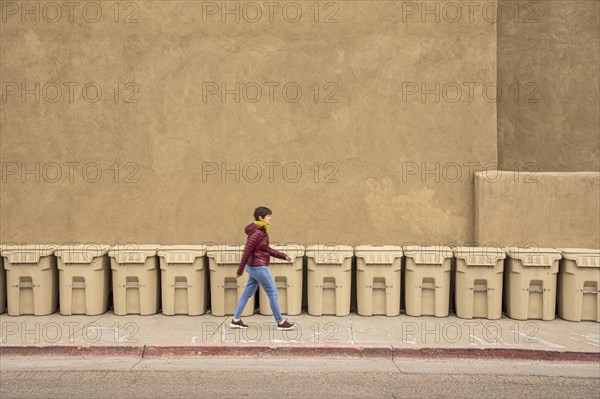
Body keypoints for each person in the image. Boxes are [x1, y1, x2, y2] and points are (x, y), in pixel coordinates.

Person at [230, 206, 296, 331]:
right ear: (261, 217)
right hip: (259, 267)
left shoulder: (260, 231)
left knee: (247, 294)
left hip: (255, 267)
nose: (271, 218)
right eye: (268, 216)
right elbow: (247, 251)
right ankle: (281, 322)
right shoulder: (257, 233)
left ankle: (236, 320)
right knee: (272, 292)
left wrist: (284, 256)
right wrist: (240, 270)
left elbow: (267, 250)